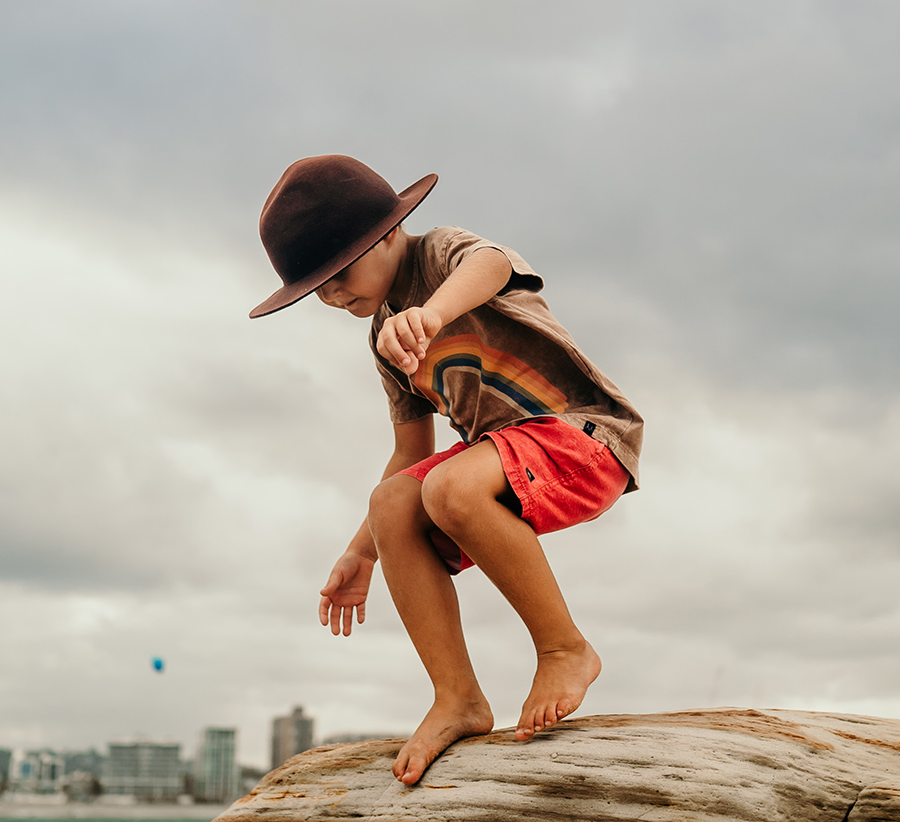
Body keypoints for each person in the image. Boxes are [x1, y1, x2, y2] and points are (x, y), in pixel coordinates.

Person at [249, 155, 644, 786]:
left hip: (586, 436)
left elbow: (494, 264)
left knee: (449, 486)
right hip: (504, 462)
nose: (332, 295)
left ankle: (565, 648)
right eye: (315, 290)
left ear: (385, 234)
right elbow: (409, 453)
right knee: (392, 502)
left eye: (338, 273)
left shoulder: (439, 255)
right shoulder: (384, 338)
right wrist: (362, 554)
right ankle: (457, 696)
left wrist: (432, 313)